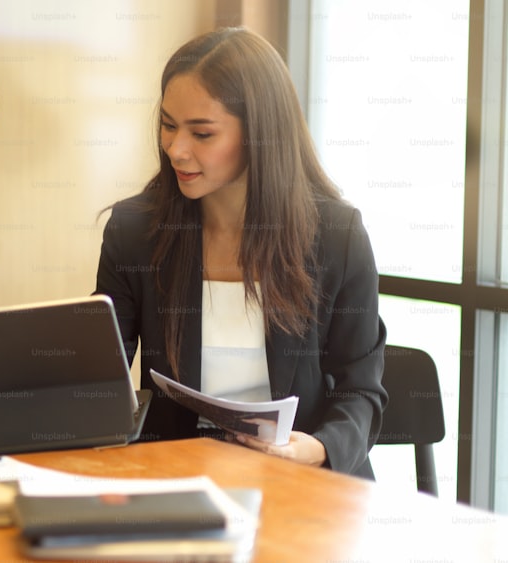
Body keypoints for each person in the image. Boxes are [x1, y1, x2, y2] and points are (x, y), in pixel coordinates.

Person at [95, 27, 387, 477]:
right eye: (168, 125)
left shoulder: (336, 236)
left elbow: (361, 391)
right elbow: (101, 376)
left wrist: (315, 448)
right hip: (178, 479)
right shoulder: (136, 232)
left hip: (305, 482)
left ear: (260, 135)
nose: (176, 149)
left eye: (203, 133)